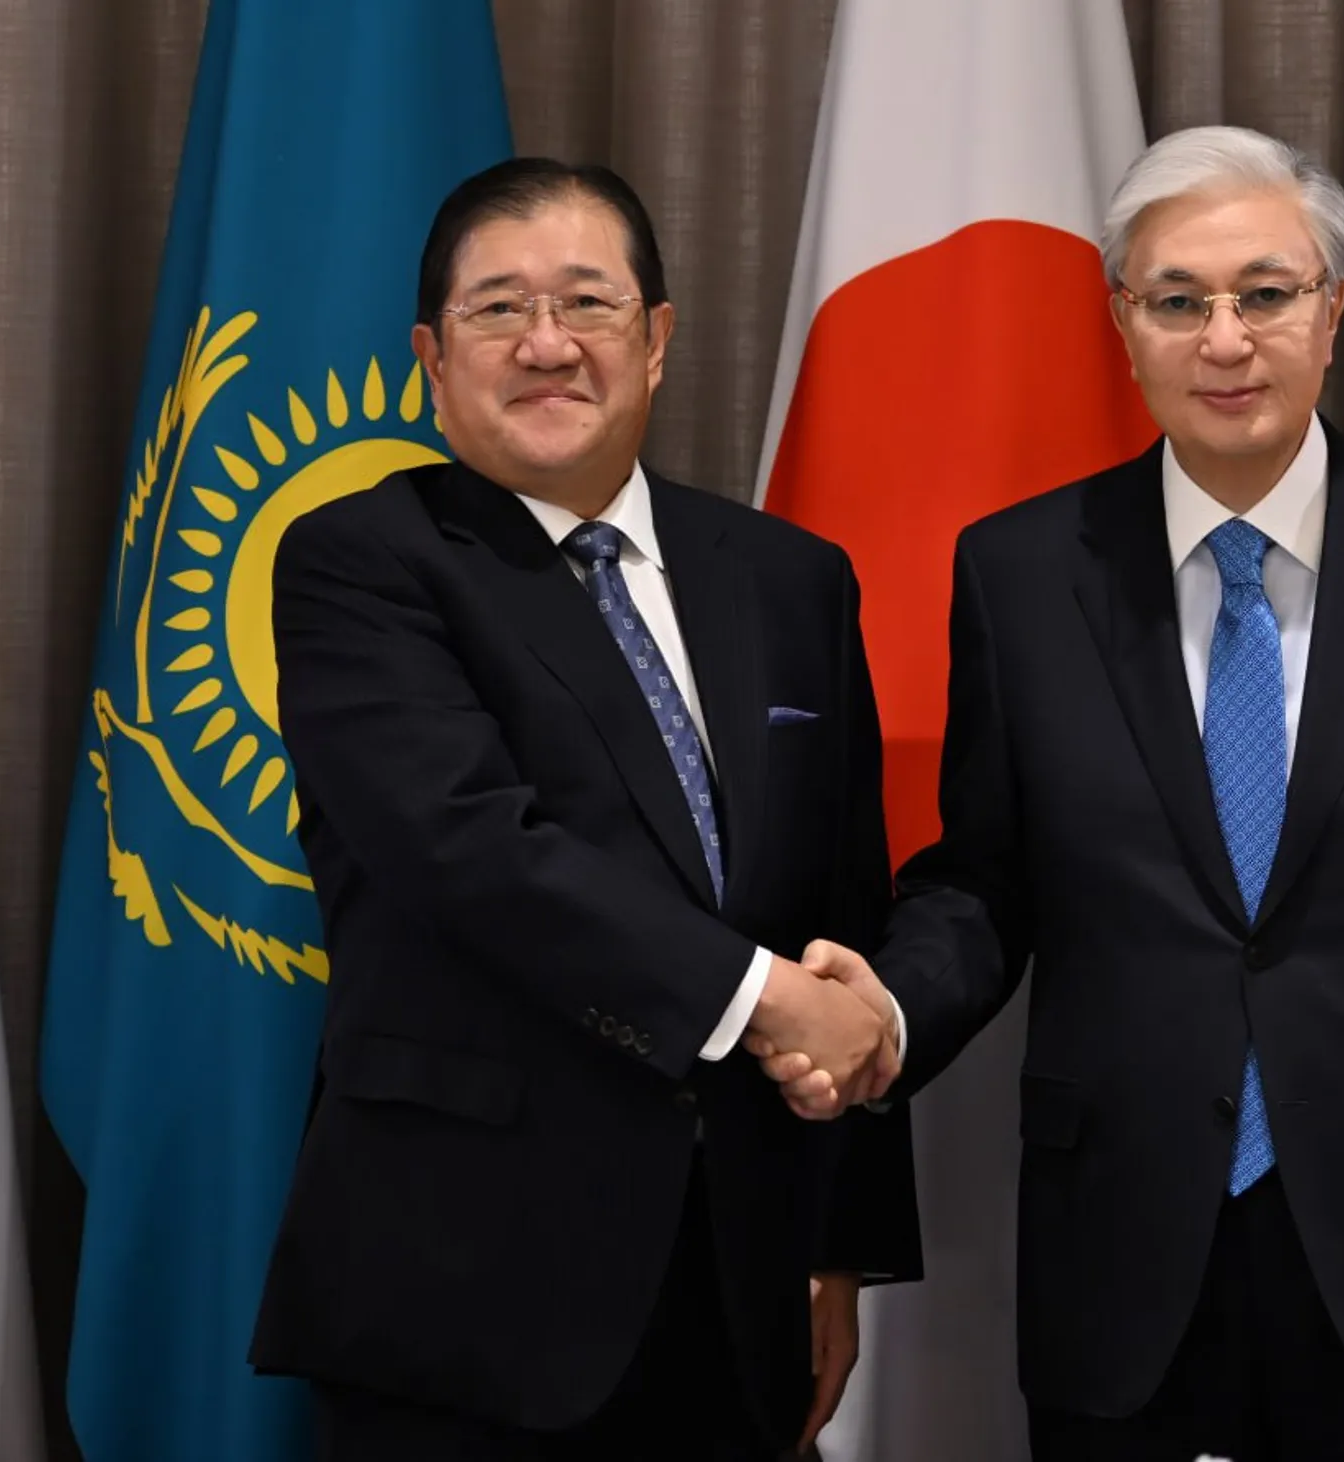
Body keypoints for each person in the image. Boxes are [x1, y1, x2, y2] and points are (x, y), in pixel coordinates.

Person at [757, 125, 1344, 1462]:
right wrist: (884, 1004)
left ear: (1332, 311)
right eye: (1178, 301)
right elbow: (987, 879)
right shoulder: (1022, 571)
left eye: (1266, 293)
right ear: (1125, 325)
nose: (1225, 339)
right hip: (1130, 1255)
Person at [249, 157, 917, 1462]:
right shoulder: (360, 563)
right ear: (432, 358)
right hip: (466, 1297)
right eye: (499, 308)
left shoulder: (790, 579)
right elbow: (470, 850)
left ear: (655, 340)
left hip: (740, 1285)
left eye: (587, 303)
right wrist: (770, 1002)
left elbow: (846, 908)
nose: (546, 343)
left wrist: (840, 1243)